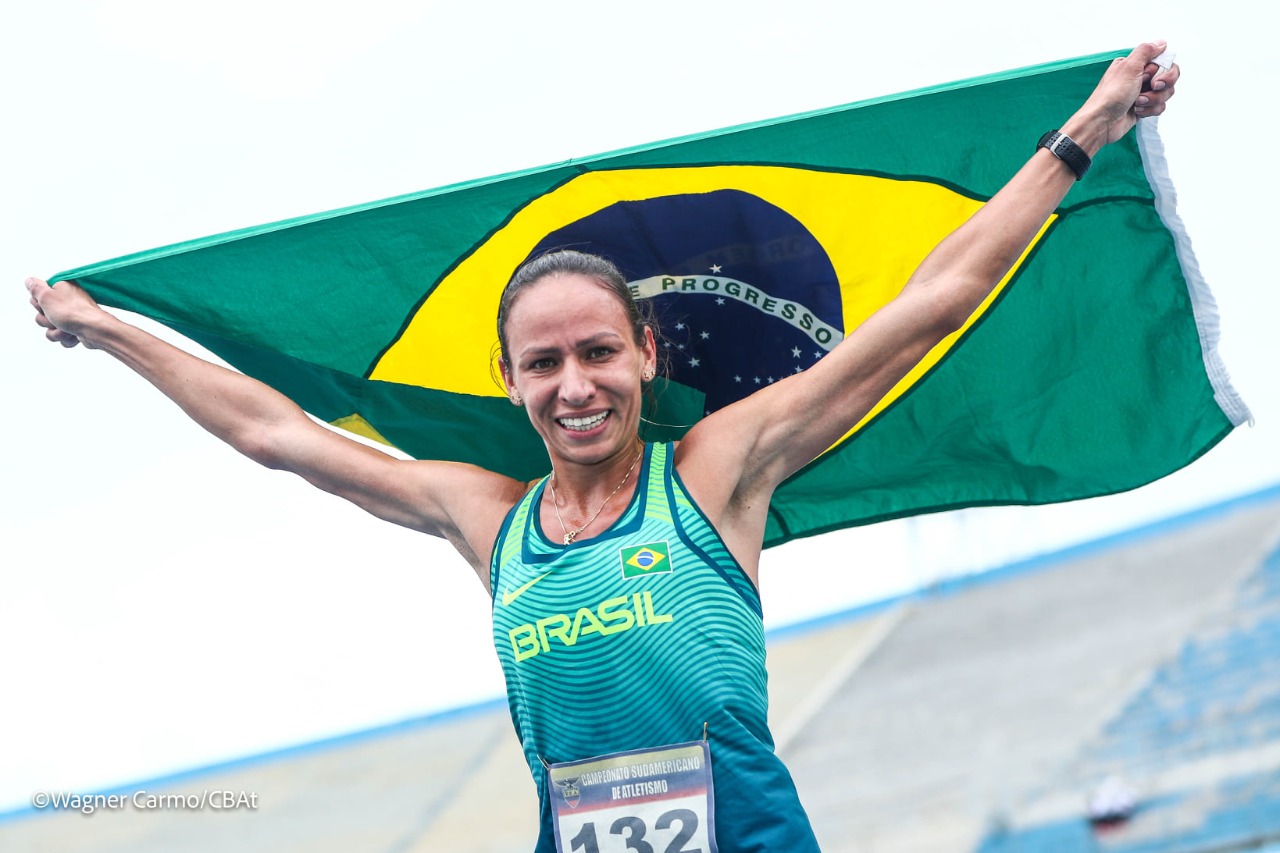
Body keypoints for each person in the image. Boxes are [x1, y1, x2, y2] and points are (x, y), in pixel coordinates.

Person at [27, 42, 1179, 852]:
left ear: (640, 352)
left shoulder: (716, 473)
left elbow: (929, 302)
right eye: (542, 364)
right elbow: (272, 430)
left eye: (594, 353)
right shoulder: (485, 517)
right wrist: (109, 328)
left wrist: (1079, 137)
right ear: (510, 381)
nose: (573, 385)